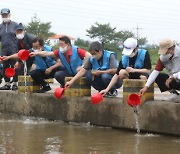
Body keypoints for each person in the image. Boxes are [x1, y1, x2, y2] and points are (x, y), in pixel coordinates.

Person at [0, 8, 18, 90]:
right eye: (3, 15)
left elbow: (19, 37)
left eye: (6, 15)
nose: (4, 16)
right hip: (4, 50)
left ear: (9, 15)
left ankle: (15, 83)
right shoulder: (0, 27)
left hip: (14, 49)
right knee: (5, 67)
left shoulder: (15, 25)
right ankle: (7, 83)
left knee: (14, 66)